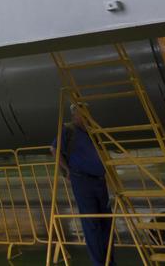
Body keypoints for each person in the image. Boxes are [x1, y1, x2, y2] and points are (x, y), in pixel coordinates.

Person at [54, 104, 113, 266]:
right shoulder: (69, 131)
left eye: (86, 114)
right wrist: (66, 171)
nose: (85, 117)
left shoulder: (92, 132)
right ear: (74, 115)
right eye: (82, 114)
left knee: (106, 221)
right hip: (83, 181)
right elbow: (54, 149)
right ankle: (99, 263)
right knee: (92, 223)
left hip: (99, 181)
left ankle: (109, 260)